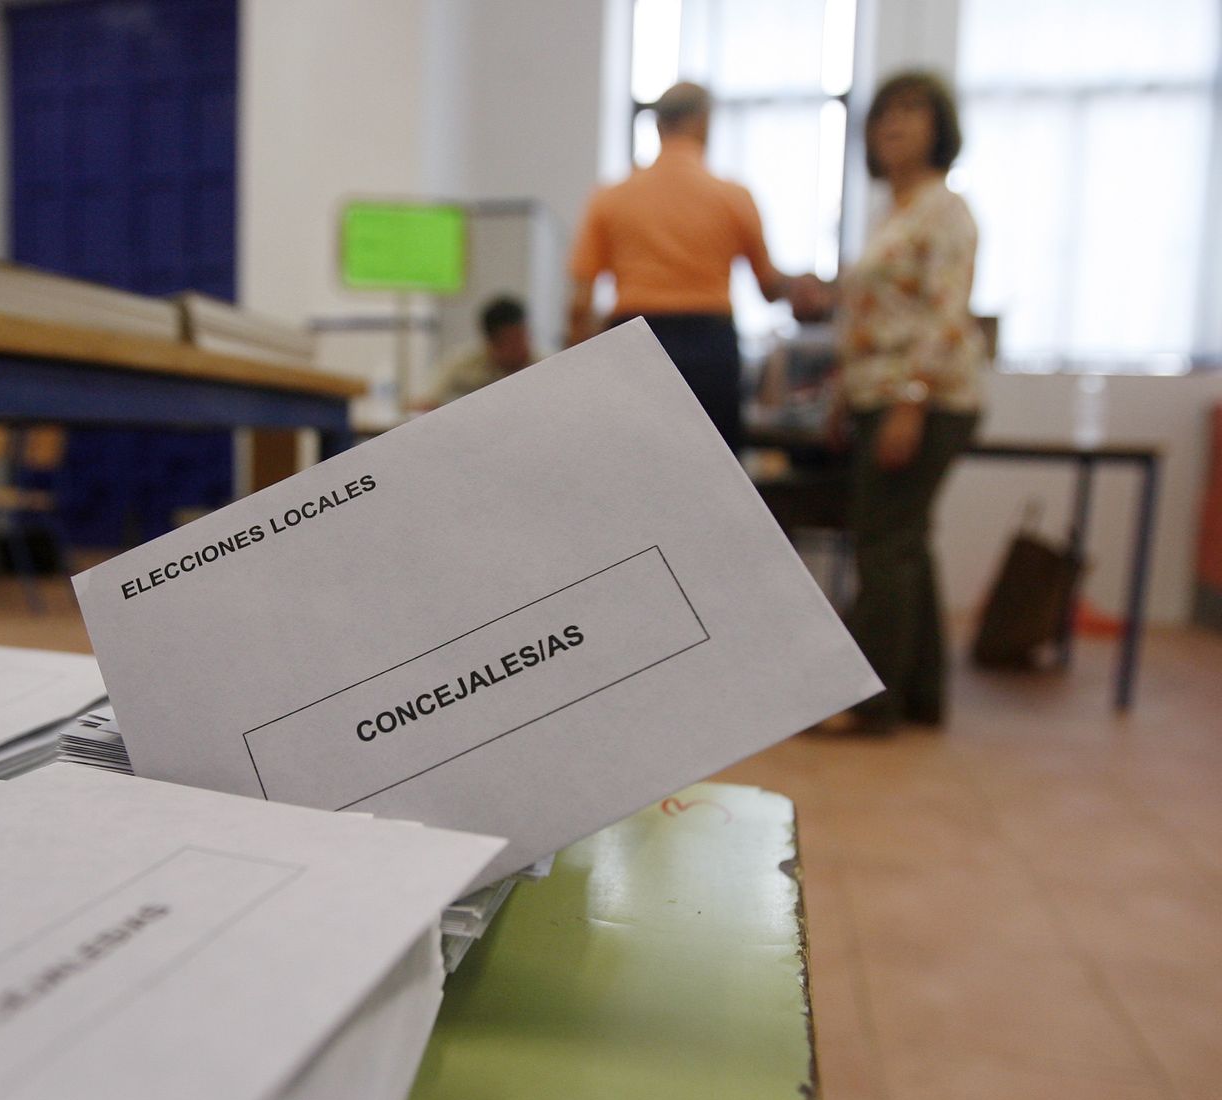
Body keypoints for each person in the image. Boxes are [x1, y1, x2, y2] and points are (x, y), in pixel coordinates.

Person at [814, 70, 986, 736]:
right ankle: (921, 695)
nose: (895, 122)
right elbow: (871, 316)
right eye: (886, 111)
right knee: (906, 544)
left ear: (940, 127)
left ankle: (867, 701)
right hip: (876, 393)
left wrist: (911, 399)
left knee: (883, 546)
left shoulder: (945, 208)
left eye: (912, 110)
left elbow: (947, 314)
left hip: (923, 396)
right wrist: (842, 395)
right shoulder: (895, 212)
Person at [566, 81, 823, 455]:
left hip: (633, 342)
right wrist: (801, 286)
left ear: (657, 127)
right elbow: (768, 288)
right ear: (704, 124)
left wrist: (578, 374)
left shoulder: (610, 198)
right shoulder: (732, 197)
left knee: (631, 463)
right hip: (709, 346)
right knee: (711, 468)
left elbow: (580, 302)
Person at [413, 295, 537, 411]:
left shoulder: (541, 365)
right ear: (490, 343)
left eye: (523, 338)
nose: (520, 348)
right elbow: (426, 403)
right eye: (510, 342)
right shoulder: (463, 365)